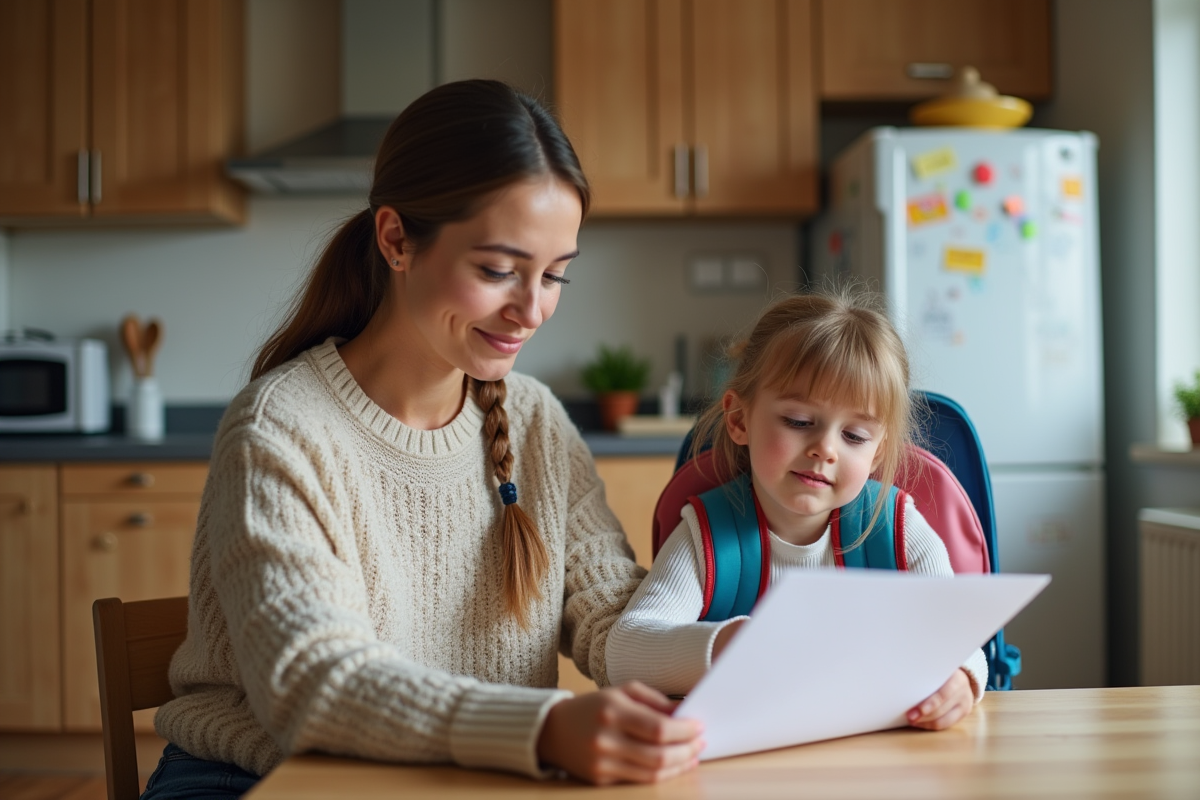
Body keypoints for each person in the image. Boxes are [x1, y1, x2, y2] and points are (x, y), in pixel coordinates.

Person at [141, 80, 704, 799]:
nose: (531, 309)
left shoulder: (534, 421)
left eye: (555, 275)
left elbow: (611, 619)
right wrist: (542, 729)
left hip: (465, 779)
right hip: (252, 776)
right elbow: (312, 684)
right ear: (396, 240)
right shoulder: (279, 429)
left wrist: (727, 653)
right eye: (498, 270)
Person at [605, 289, 988, 731]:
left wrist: (962, 677)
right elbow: (625, 651)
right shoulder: (706, 536)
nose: (824, 449)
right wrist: (728, 645)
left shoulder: (900, 530)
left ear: (879, 452)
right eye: (800, 422)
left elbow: (958, 640)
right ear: (740, 421)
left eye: (855, 436)